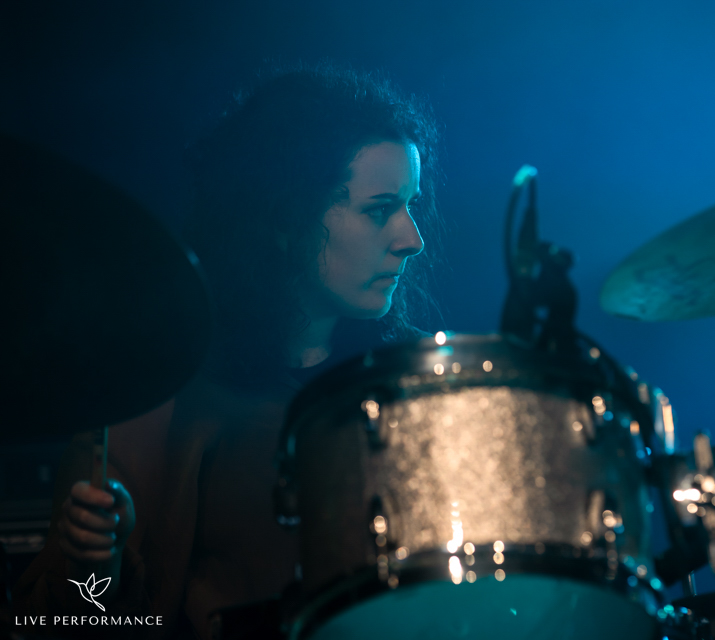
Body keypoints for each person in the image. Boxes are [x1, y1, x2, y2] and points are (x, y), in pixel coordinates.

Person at [14, 63, 441, 639]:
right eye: (379, 209)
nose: (412, 238)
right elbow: (69, 621)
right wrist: (96, 565)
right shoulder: (159, 395)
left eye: (410, 205)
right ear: (285, 218)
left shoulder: (413, 388)